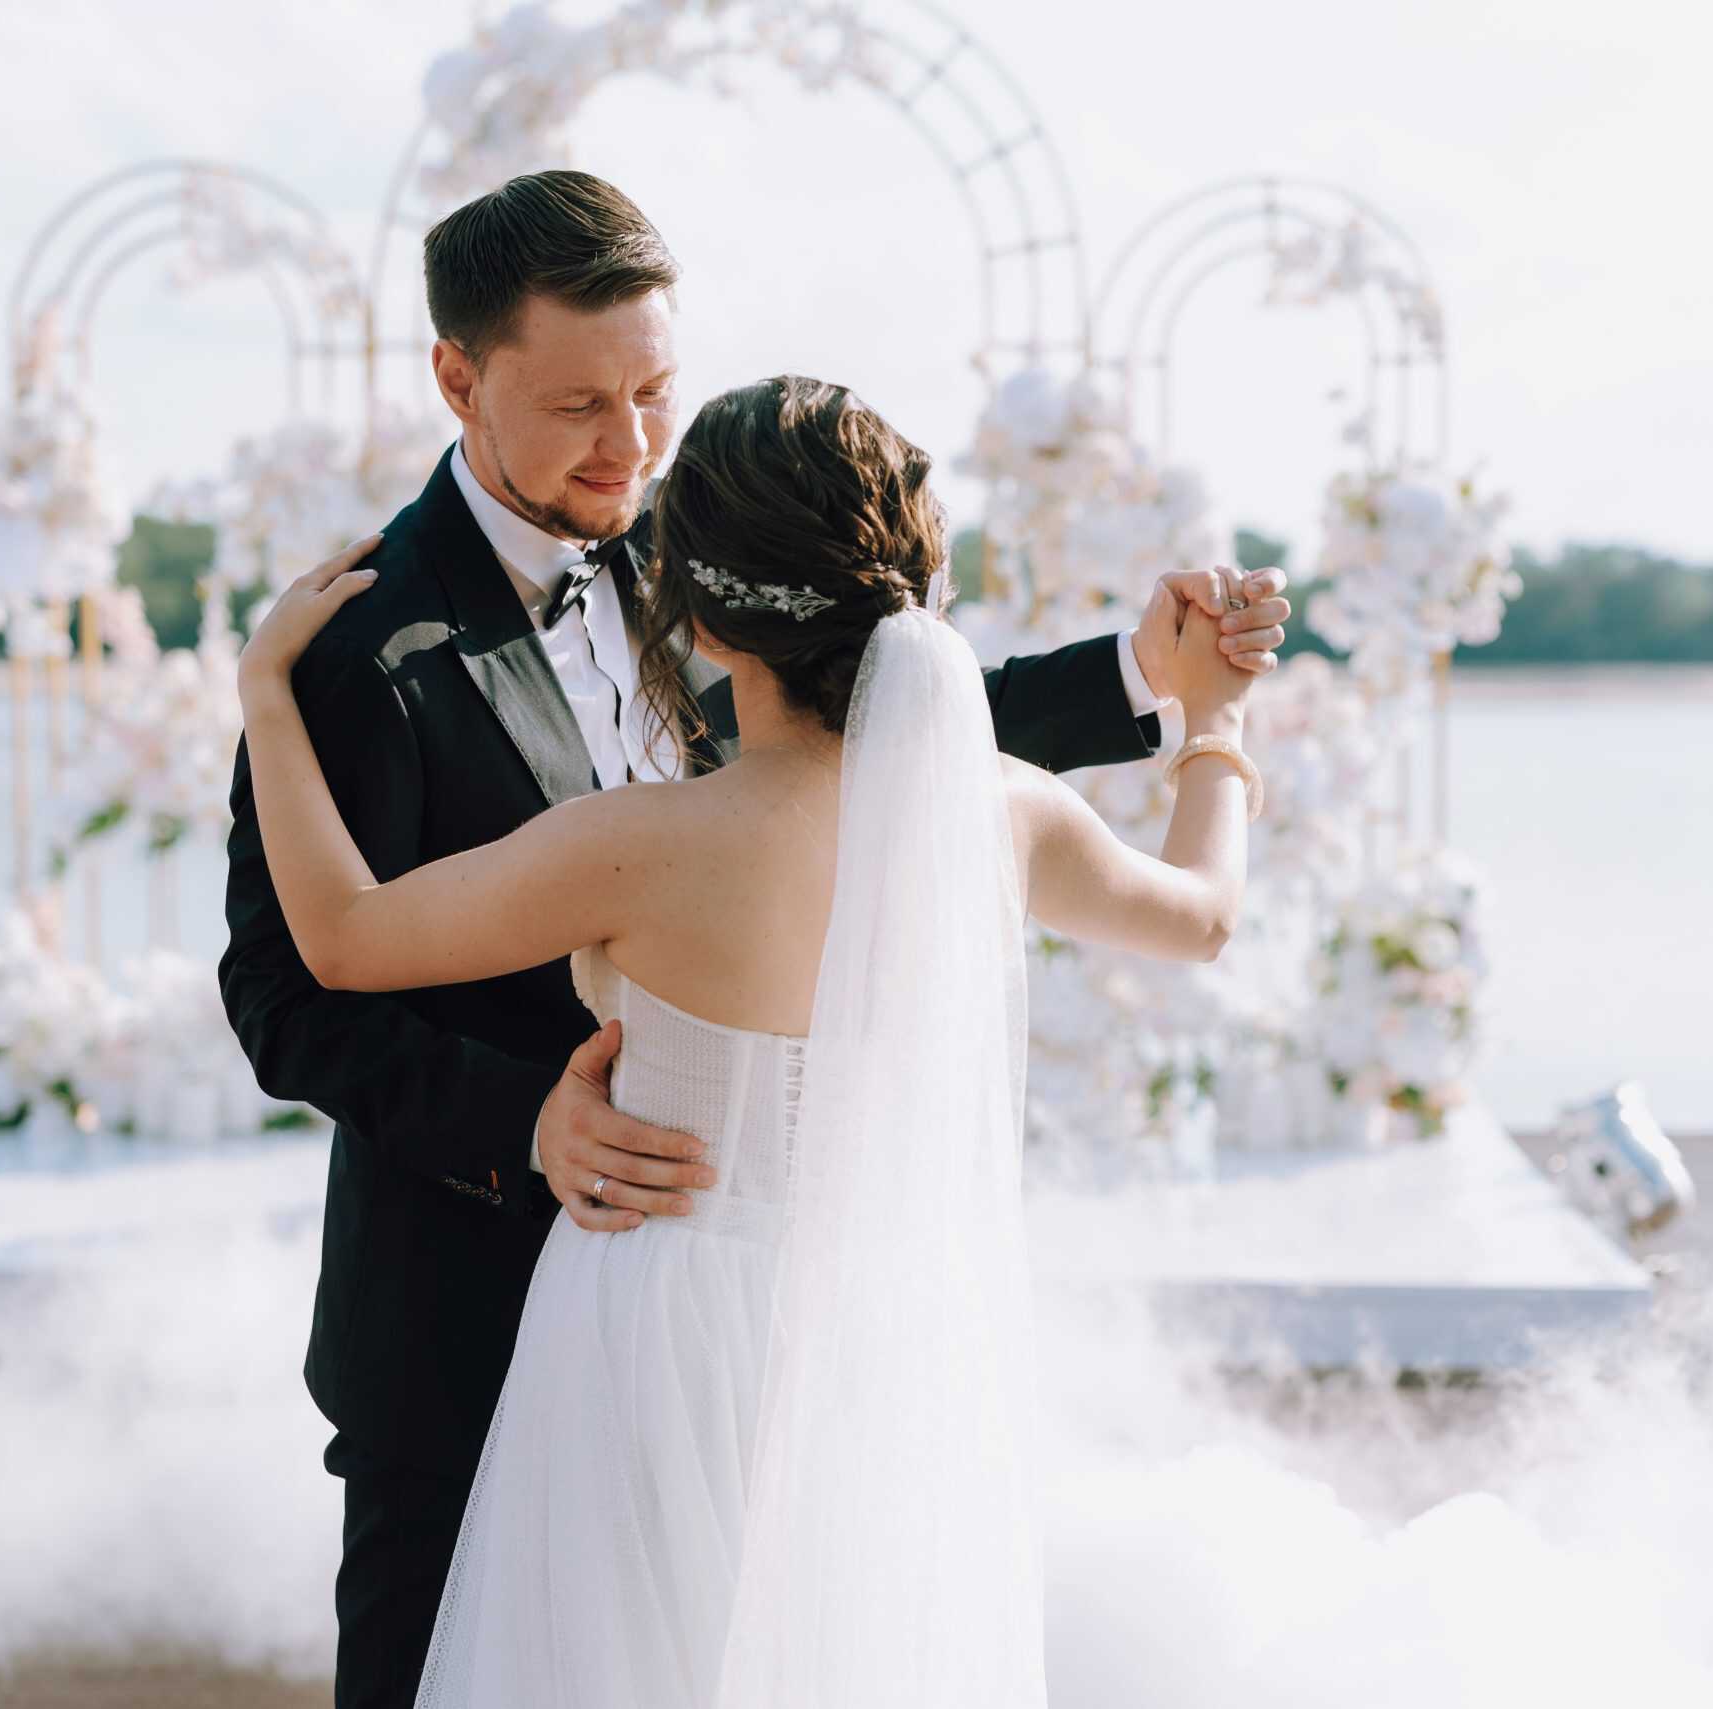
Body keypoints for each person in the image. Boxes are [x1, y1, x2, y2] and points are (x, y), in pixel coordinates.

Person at [214, 169, 1290, 1709]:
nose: (633, 445)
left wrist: (1138, 672)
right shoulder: (351, 648)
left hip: (772, 1332)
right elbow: (284, 996)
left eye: (656, 391)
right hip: (462, 1304)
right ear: (459, 375)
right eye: (583, 404)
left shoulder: (707, 551)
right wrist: (527, 1124)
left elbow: (886, 721)